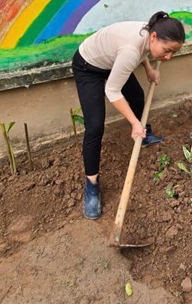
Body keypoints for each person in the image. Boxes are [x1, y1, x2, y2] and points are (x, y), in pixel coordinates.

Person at [72, 11, 185, 219]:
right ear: (154, 37)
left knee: (137, 96)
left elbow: (143, 51)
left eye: (173, 53)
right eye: (167, 51)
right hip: (88, 65)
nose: (168, 57)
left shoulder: (150, 31)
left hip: (111, 60)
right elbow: (112, 91)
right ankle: (92, 186)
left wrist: (149, 69)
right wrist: (133, 122)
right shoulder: (130, 50)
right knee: (95, 126)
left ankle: (144, 135)